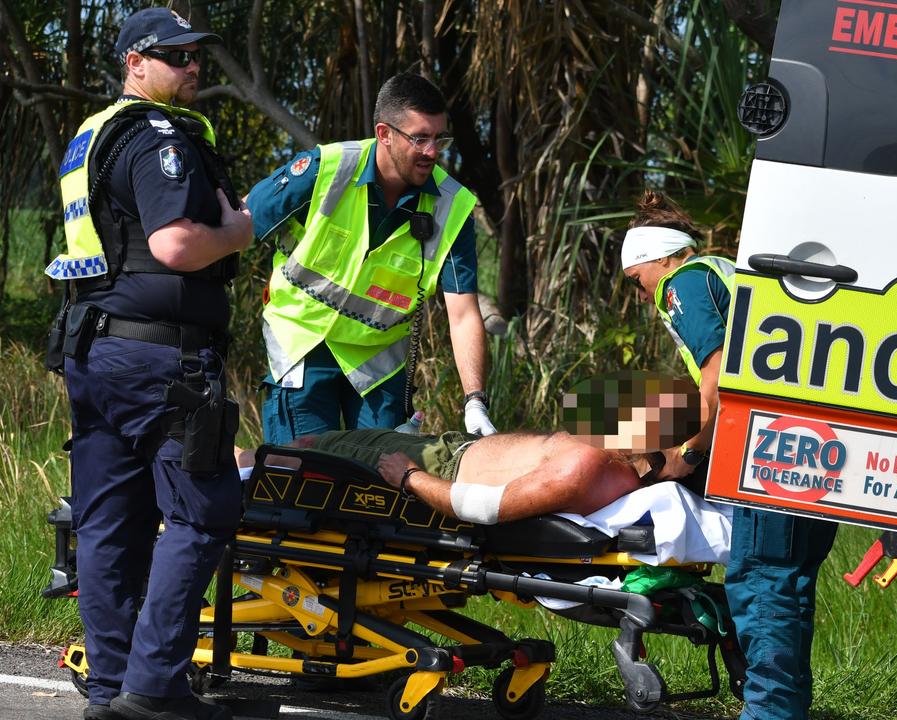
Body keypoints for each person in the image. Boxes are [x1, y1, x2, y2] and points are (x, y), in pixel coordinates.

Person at [44, 8, 252, 720]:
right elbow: (173, 245)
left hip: (92, 349)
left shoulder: (90, 136)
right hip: (158, 356)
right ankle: (154, 687)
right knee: (203, 512)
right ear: (136, 62)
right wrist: (236, 231)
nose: (192, 67)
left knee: (108, 523)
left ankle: (110, 692)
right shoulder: (159, 135)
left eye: (197, 56)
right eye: (175, 56)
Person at [620, 192, 837, 720]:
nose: (640, 291)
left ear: (656, 258)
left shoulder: (682, 284)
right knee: (790, 586)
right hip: (814, 439)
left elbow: (718, 376)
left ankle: (767, 714)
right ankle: (783, 708)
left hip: (764, 440)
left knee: (763, 580)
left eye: (636, 278)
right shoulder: (725, 270)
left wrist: (692, 453)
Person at [246, 72, 494, 444]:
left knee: (381, 483)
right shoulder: (326, 169)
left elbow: (462, 314)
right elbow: (242, 223)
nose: (432, 151)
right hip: (304, 343)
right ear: (384, 133)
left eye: (439, 138)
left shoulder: (453, 206)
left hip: (377, 364)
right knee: (306, 474)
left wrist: (475, 401)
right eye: (420, 138)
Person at [236, 373, 703, 524]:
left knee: (296, 455)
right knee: (306, 445)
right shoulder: (626, 457)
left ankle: (213, 464)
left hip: (439, 468)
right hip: (444, 448)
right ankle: (225, 458)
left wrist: (409, 477)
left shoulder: (584, 467)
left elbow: (488, 507)